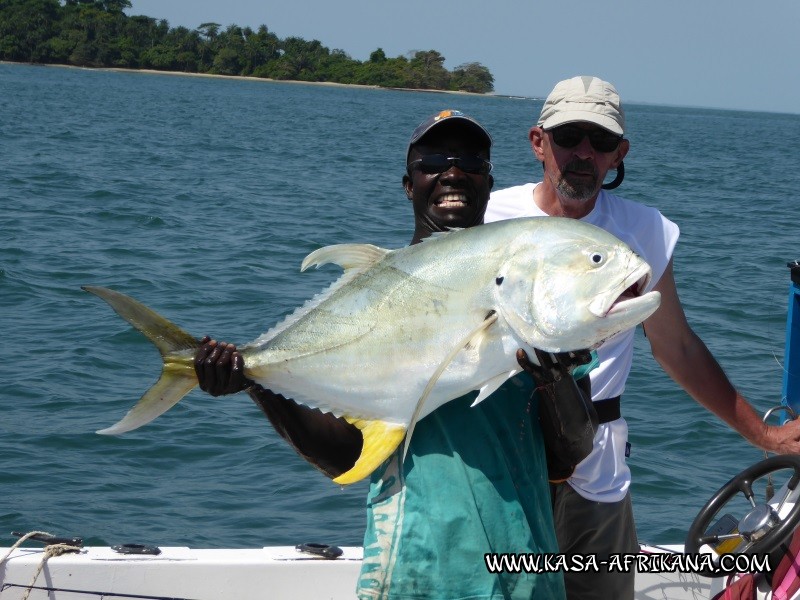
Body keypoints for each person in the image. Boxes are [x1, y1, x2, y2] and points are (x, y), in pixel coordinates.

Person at [194, 109, 599, 599]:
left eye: (471, 162)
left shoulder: (531, 290)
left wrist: (554, 380)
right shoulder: (371, 296)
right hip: (410, 571)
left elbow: (572, 453)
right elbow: (344, 453)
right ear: (409, 184)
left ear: (489, 183)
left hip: (526, 578)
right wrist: (254, 379)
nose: (453, 173)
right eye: (433, 161)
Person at [485, 75, 800, 599]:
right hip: (501, 450)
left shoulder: (646, 232)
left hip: (596, 466)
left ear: (619, 154)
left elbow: (674, 346)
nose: (583, 153)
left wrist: (764, 435)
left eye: (601, 141)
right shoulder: (485, 219)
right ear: (538, 141)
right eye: (569, 137)